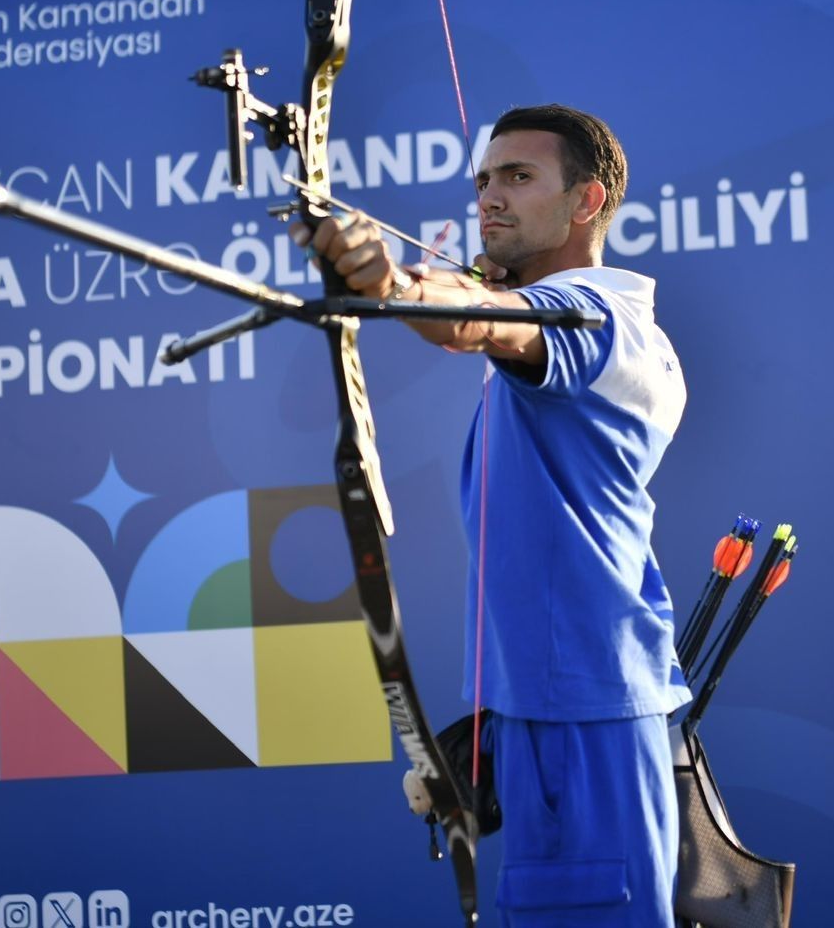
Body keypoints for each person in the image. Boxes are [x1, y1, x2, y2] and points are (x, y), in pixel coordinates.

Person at [295, 104, 689, 926]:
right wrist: (494, 728)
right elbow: (480, 305)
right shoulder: (564, 320)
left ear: (587, 202)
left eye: (518, 176)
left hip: (585, 716)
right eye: (482, 180)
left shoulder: (601, 320)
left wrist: (393, 285)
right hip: (548, 712)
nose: (489, 198)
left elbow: (481, 322)